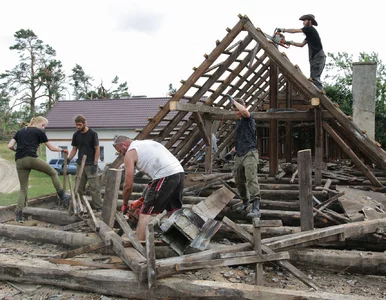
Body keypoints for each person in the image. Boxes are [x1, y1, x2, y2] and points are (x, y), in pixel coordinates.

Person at [112, 135, 185, 240]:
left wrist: (124, 204)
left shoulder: (130, 153)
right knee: (173, 209)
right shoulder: (146, 143)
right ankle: (179, 240)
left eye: (121, 151)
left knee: (145, 212)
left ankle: (140, 245)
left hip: (165, 175)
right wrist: (147, 193)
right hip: (179, 172)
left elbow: (128, 185)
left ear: (124, 144)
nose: (122, 154)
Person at [7, 116, 71, 222]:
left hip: (19, 161)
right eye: (43, 125)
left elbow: (9, 146)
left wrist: (17, 150)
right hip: (31, 158)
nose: (44, 127)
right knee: (53, 172)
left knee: (23, 188)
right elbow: (51, 148)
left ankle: (19, 215)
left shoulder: (20, 131)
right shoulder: (39, 132)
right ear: (37, 122)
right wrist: (63, 150)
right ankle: (62, 196)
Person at [230, 97, 261, 218]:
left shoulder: (249, 118)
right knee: (238, 179)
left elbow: (244, 112)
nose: (237, 112)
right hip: (239, 154)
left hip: (250, 153)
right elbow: (241, 138)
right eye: (235, 110)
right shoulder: (238, 123)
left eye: (237, 109)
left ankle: (256, 207)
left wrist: (234, 102)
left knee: (251, 179)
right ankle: (245, 201)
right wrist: (233, 150)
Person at [277, 14, 326, 90]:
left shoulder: (310, 29)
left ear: (310, 21)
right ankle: (318, 96)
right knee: (313, 78)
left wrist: (283, 29)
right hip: (316, 57)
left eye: (305, 21)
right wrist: (289, 42)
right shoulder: (309, 34)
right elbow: (301, 44)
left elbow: (294, 31)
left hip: (317, 56)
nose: (303, 22)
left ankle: (320, 99)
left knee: (315, 78)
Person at [68, 115, 102, 210]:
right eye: (76, 125)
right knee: (79, 187)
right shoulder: (76, 135)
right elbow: (74, 149)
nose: (78, 127)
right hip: (80, 165)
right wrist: (68, 159)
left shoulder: (92, 134)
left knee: (94, 187)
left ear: (85, 123)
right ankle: (80, 205)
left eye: (79, 125)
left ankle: (98, 207)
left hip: (90, 164)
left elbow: (97, 149)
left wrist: (95, 163)